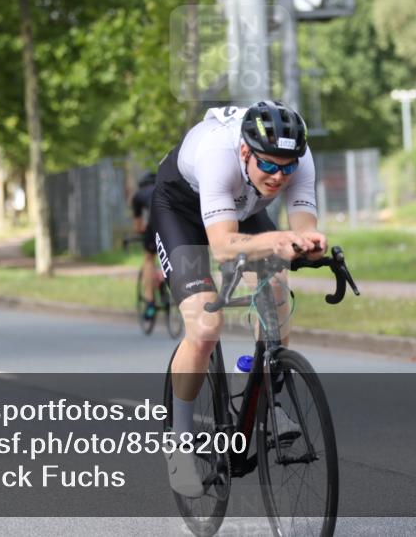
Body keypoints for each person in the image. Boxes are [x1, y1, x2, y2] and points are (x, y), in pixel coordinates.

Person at [151, 100, 325, 497]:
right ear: (245, 150)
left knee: (276, 287)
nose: (278, 176)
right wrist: (277, 241)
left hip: (241, 208)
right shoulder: (217, 154)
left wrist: (311, 244)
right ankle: (179, 442)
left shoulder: (297, 157)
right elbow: (223, 246)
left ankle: (262, 392)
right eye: (268, 165)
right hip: (181, 208)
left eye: (287, 168)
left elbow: (303, 225)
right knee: (205, 324)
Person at [131, 172, 159, 320]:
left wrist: (142, 232)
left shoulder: (139, 195)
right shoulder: (164, 186)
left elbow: (138, 226)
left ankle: (150, 303)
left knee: (149, 258)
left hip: (155, 223)